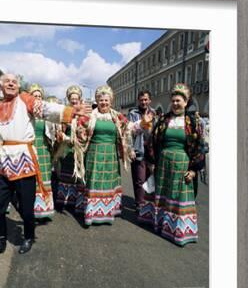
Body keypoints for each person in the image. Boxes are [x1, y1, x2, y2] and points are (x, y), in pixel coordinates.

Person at [0, 73, 88, 259]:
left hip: (24, 161)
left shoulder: (26, 100)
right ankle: (0, 240)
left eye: (14, 81)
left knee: (27, 208)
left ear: (18, 86)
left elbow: (45, 108)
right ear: (0, 86)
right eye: (7, 81)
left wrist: (71, 111)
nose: (11, 83)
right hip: (5, 163)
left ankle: (28, 236)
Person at [140, 83, 206, 246]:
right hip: (163, 164)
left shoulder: (192, 122)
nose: (175, 104)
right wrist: (152, 162)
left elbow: (199, 146)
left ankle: (179, 231)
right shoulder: (164, 119)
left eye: (179, 101)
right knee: (162, 194)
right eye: (173, 101)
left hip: (182, 165)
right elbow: (152, 141)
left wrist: (193, 170)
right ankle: (161, 224)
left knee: (178, 195)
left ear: (186, 102)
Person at [74, 85, 130, 225]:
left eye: (106, 100)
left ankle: (106, 211)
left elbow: (128, 129)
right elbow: (79, 132)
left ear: (111, 101)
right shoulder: (89, 116)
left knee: (109, 183)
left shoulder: (117, 116)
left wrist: (142, 124)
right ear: (97, 101)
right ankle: (91, 214)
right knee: (93, 181)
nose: (104, 103)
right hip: (94, 154)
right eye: (101, 100)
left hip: (111, 155)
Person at [53, 85, 84, 211]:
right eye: (72, 99)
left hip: (79, 149)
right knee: (64, 173)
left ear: (80, 99)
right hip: (65, 148)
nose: (74, 101)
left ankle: (76, 200)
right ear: (68, 99)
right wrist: (64, 137)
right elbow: (58, 130)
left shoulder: (84, 114)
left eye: (77, 98)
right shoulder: (64, 113)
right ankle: (63, 200)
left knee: (77, 175)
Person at [28, 84, 56, 221]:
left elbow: (52, 133)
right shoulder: (26, 112)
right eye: (35, 95)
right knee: (30, 179)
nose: (37, 98)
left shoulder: (46, 114)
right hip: (29, 148)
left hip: (44, 149)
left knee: (44, 178)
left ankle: (44, 209)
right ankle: (30, 208)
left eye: (39, 96)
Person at [127, 90, 157, 216]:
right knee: (139, 179)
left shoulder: (154, 113)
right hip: (138, 149)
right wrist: (130, 149)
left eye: (146, 99)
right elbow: (128, 133)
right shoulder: (133, 113)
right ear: (138, 100)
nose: (144, 102)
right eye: (141, 100)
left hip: (151, 151)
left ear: (149, 100)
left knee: (149, 178)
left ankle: (148, 203)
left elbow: (156, 131)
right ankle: (140, 204)